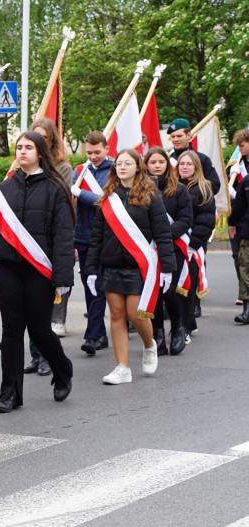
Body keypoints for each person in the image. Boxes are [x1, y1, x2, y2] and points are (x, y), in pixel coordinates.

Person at [0, 131, 75, 413]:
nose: (22, 151)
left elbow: (62, 235)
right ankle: (9, 393)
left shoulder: (55, 188)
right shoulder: (4, 190)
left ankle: (62, 370)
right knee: (11, 330)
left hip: (39, 270)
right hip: (8, 268)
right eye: (19, 147)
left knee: (39, 330)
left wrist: (62, 278)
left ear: (40, 153)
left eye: (28, 147)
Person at [85, 149, 176, 385]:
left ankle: (149, 345)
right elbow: (96, 237)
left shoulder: (151, 196)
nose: (122, 167)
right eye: (118, 164)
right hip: (112, 265)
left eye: (128, 163)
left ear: (138, 167)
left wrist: (167, 267)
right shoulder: (107, 198)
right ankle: (122, 367)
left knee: (136, 314)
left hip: (139, 266)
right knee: (116, 314)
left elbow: (163, 235)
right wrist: (91, 269)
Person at [23, 118, 75, 375]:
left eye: (42, 136)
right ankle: (35, 355)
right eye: (34, 135)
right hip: (26, 246)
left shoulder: (63, 168)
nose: (36, 140)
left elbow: (60, 204)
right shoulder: (21, 169)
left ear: (51, 140)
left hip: (48, 245)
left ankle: (49, 358)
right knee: (29, 311)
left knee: (44, 312)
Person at [145, 147, 192, 354]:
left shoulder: (180, 190)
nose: (156, 165)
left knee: (169, 289)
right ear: (146, 165)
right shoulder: (140, 189)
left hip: (173, 247)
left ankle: (178, 326)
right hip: (149, 248)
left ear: (167, 164)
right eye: (152, 162)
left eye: (160, 162)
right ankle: (158, 334)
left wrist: (163, 236)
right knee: (153, 291)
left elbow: (185, 220)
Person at [72, 131, 113, 356]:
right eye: (89, 152)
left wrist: (81, 193)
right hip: (82, 236)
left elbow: (107, 201)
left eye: (97, 152)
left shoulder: (115, 169)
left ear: (106, 149)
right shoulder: (80, 171)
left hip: (106, 238)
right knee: (88, 285)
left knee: (97, 285)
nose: (93, 156)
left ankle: (92, 335)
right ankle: (100, 334)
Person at [175, 150, 216, 337]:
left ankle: (185, 327)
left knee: (188, 287)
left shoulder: (204, 188)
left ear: (196, 167)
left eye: (189, 164)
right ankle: (188, 322)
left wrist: (192, 244)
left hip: (191, 246)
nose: (184, 167)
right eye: (181, 164)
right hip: (173, 243)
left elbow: (206, 220)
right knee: (174, 287)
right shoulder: (171, 186)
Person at [229, 130, 249, 323]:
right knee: (240, 262)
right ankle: (246, 305)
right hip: (242, 222)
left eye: (242, 145)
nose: (239, 149)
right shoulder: (236, 167)